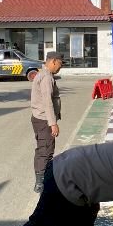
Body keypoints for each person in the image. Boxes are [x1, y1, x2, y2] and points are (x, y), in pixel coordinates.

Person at [30, 51, 63, 194]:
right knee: (45, 150)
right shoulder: (46, 77)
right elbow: (47, 101)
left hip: (40, 119)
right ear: (54, 61)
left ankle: (46, 179)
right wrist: (53, 123)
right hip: (44, 120)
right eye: (60, 64)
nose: (61, 67)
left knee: (45, 149)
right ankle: (41, 183)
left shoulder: (44, 74)